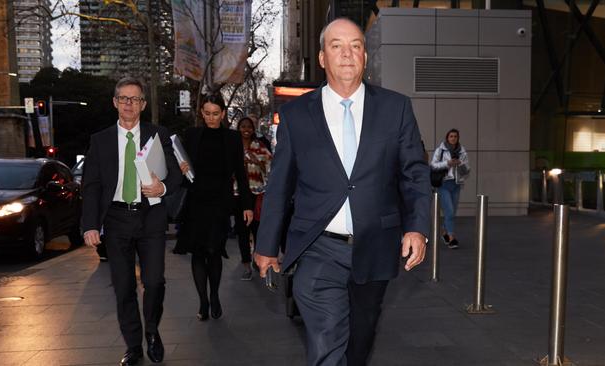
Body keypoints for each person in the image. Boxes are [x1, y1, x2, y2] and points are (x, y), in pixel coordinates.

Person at [254, 18, 431, 366]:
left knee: (359, 345)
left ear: (365, 55)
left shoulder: (395, 108)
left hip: (375, 245)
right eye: (337, 45)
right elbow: (280, 185)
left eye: (355, 45)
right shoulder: (296, 115)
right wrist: (266, 245)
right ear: (322, 57)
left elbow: (414, 173)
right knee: (326, 341)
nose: (347, 54)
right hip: (318, 247)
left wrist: (417, 227)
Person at [81, 77, 182, 366]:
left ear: (143, 105)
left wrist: (161, 188)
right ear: (115, 102)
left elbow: (175, 174)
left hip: (150, 217)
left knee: (155, 281)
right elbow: (92, 185)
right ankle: (133, 346)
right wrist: (90, 225)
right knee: (123, 286)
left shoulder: (158, 134)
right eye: (123, 98)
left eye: (135, 99)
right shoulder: (99, 140)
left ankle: (152, 330)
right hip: (115, 220)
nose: (128, 104)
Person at [174, 93, 254, 321]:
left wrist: (246, 205)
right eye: (207, 113)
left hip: (220, 202)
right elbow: (181, 168)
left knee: (214, 250)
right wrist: (181, 168)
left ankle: (215, 296)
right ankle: (203, 301)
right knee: (198, 252)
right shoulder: (191, 135)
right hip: (196, 201)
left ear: (223, 113)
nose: (211, 118)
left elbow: (241, 173)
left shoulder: (232, 138)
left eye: (215, 114)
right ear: (201, 113)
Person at [233, 116, 272, 280]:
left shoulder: (260, 146)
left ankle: (257, 259)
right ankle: (246, 265)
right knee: (242, 231)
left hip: (257, 193)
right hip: (238, 194)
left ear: (253, 129)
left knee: (257, 230)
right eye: (243, 126)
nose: (246, 129)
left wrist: (258, 162)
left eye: (249, 126)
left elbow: (271, 165)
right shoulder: (233, 147)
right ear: (239, 129)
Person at [430, 128, 470, 249]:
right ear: (447, 138)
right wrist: (448, 163)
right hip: (444, 184)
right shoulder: (440, 150)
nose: (453, 138)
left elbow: (467, 170)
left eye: (455, 136)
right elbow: (433, 165)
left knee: (452, 212)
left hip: (456, 185)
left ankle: (445, 232)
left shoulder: (462, 152)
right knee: (450, 211)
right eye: (451, 136)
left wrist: (460, 163)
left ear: (458, 138)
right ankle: (452, 238)